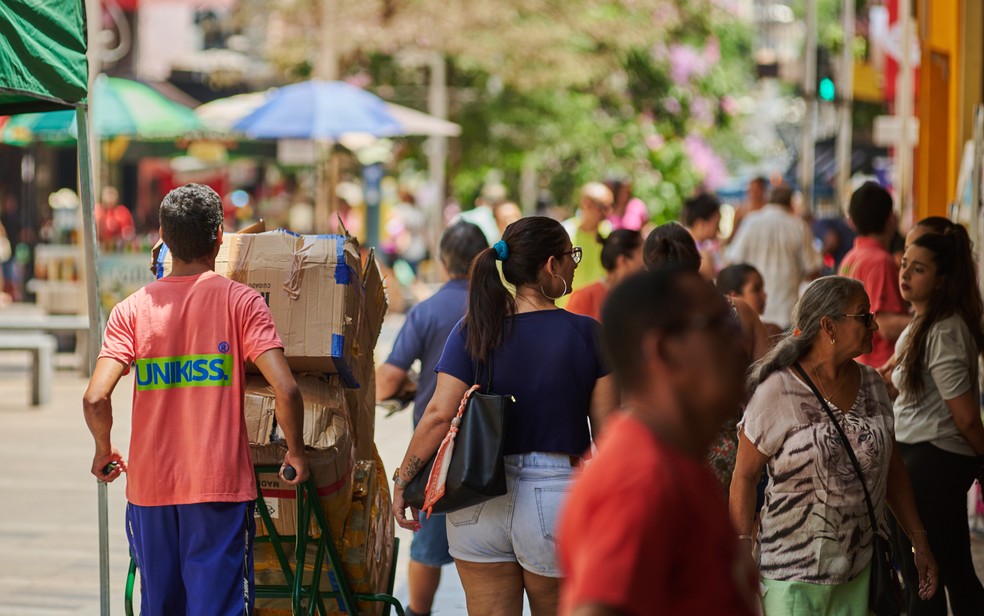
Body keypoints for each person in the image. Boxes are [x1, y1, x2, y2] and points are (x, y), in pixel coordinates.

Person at [82, 184, 309, 616]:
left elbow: (95, 397)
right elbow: (287, 388)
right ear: (220, 236)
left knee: (160, 605)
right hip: (217, 488)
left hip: (149, 490)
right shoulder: (241, 301)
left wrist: (103, 449)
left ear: (162, 238)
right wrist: (295, 451)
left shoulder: (131, 310)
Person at [391, 216, 619, 615]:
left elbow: (438, 416)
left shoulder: (473, 330)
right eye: (572, 257)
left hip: (475, 497)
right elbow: (610, 436)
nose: (575, 265)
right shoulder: (588, 334)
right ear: (552, 265)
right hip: (557, 497)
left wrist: (404, 478)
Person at [557, 267, 759, 616]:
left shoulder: (674, 461)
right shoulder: (639, 477)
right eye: (721, 326)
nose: (741, 342)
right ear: (665, 351)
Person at [730, 276, 937, 614]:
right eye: (863, 315)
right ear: (829, 326)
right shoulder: (777, 391)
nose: (874, 324)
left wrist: (919, 540)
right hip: (791, 575)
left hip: (860, 573)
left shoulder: (873, 386)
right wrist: (741, 550)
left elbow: (893, 470)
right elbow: (744, 477)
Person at [376, 222, 488, 616]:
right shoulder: (505, 307)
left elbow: (388, 380)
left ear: (443, 262)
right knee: (494, 561)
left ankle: (417, 612)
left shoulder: (428, 311)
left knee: (427, 548)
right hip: (498, 452)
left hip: (437, 456)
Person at [891, 226, 984, 615]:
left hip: (935, 461)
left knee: (926, 581)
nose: (906, 275)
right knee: (950, 572)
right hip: (920, 457)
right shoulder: (922, 325)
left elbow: (965, 416)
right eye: (904, 265)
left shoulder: (944, 331)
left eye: (919, 269)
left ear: (942, 280)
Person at [643, 223, 770, 491]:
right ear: (697, 260)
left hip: (664, 455)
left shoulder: (642, 320)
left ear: (647, 268)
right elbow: (768, 388)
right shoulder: (740, 311)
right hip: (731, 455)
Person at [726, 184, 821, 328]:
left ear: (769, 200)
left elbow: (733, 261)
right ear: (790, 203)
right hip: (787, 312)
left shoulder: (751, 222)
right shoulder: (798, 226)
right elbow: (813, 270)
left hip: (753, 312)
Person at [839, 181, 911, 369]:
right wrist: (931, 321)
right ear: (890, 219)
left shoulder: (850, 258)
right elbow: (886, 325)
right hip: (882, 366)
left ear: (852, 222)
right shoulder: (880, 261)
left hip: (859, 363)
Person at [566, 229, 644, 321]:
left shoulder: (643, 295)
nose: (646, 260)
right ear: (623, 261)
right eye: (641, 252)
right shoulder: (584, 298)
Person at [562, 182, 614, 300]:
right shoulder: (565, 233)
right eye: (604, 207)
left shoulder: (609, 232)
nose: (609, 212)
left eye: (611, 206)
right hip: (569, 311)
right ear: (586, 205)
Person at [716, 263, 783, 338]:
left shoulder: (774, 332)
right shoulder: (726, 340)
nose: (764, 295)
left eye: (762, 288)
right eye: (756, 289)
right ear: (734, 297)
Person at [682, 192, 723, 279]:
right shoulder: (702, 256)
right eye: (716, 223)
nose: (718, 229)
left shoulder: (683, 243)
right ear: (700, 224)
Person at [730, 175, 768, 239]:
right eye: (752, 189)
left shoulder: (769, 207)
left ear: (763, 190)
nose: (754, 193)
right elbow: (733, 233)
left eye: (757, 190)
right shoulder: (741, 209)